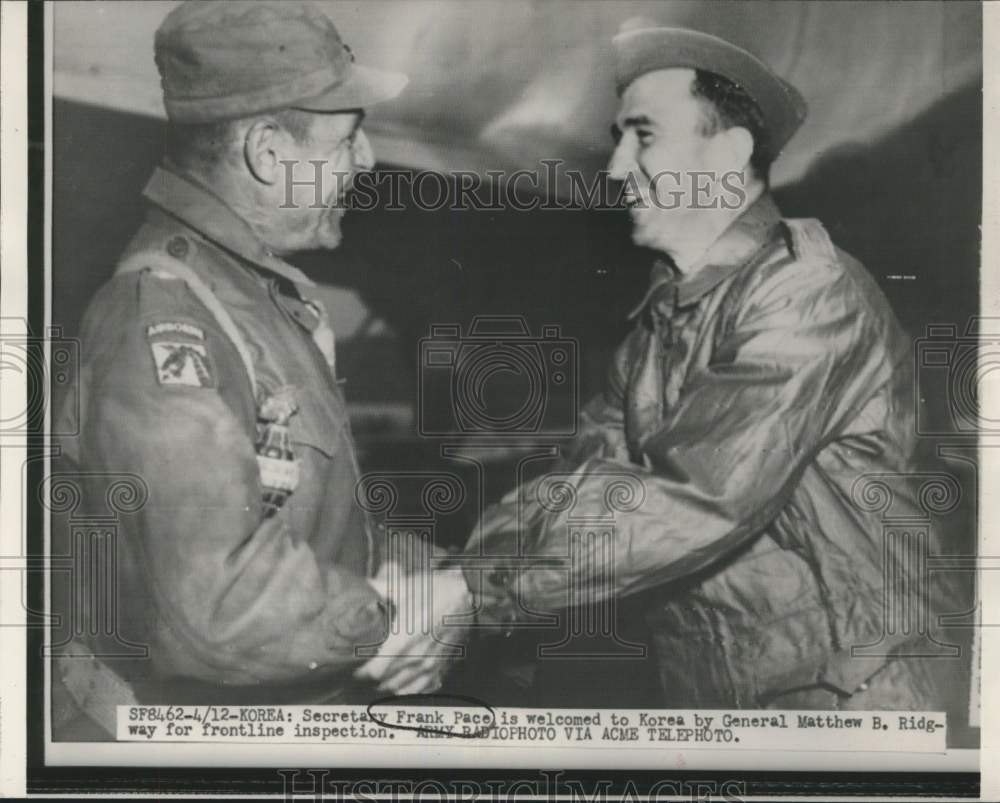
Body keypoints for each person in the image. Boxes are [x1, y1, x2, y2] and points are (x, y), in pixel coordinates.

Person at [462, 21, 968, 713]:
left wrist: (473, 592)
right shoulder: (660, 321)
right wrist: (465, 572)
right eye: (618, 141)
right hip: (730, 689)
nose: (615, 171)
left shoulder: (810, 293)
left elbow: (698, 494)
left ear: (729, 153)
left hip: (858, 697)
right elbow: (582, 483)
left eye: (645, 136)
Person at [53, 0, 467, 736]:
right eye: (348, 138)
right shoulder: (162, 315)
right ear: (269, 152)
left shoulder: (253, 301)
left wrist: (444, 575)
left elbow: (309, 522)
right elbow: (219, 608)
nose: (366, 161)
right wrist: (398, 619)